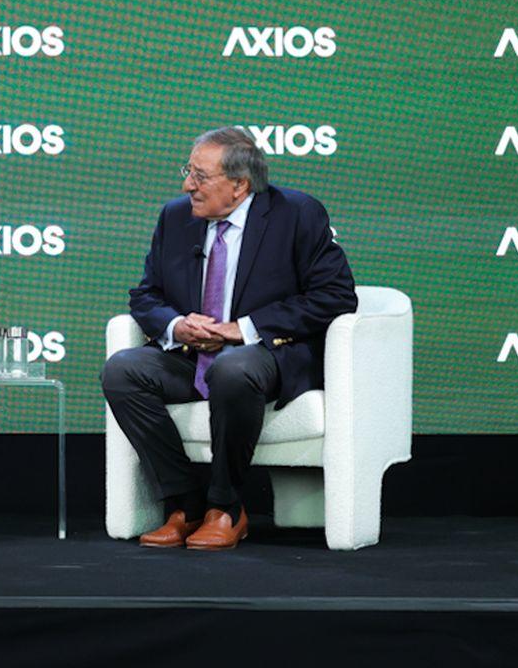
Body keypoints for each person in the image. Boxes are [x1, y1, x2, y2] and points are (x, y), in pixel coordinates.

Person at [102, 126, 357, 550]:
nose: (188, 185)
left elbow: (335, 296)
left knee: (233, 368)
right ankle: (186, 503)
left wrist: (245, 328)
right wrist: (177, 325)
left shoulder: (296, 213)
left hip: (267, 354)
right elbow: (146, 295)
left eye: (200, 177)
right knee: (123, 371)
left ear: (239, 185)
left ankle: (226, 507)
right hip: (191, 353)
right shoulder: (175, 217)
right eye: (188, 172)